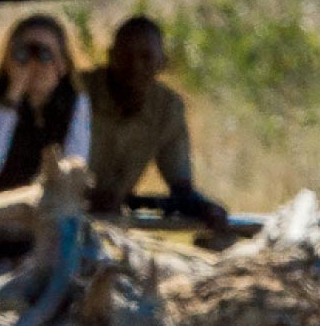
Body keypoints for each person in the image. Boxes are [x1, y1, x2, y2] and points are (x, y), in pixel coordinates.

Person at [82, 16, 229, 227]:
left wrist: (205, 208)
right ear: (111, 56)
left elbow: (180, 186)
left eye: (146, 57)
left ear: (162, 63)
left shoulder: (167, 108)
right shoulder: (79, 93)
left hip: (109, 224)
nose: (135, 66)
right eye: (126, 56)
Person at [0, 14, 90, 194]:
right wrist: (12, 97)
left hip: (45, 207)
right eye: (24, 54)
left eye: (44, 54)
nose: (34, 64)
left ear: (62, 64)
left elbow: (75, 171)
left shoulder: (74, 101)